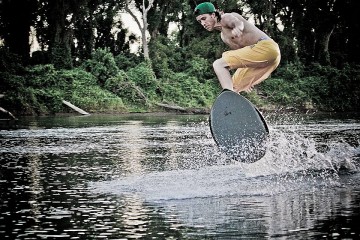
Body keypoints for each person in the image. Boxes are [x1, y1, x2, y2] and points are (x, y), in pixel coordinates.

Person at [194, 2, 281, 93]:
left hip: (267, 47)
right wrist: (246, 80)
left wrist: (238, 28)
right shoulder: (224, 37)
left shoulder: (225, 18)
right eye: (200, 21)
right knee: (234, 86)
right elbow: (244, 57)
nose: (203, 23)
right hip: (269, 59)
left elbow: (237, 22)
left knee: (218, 64)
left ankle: (228, 95)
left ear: (213, 14)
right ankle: (233, 104)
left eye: (204, 18)